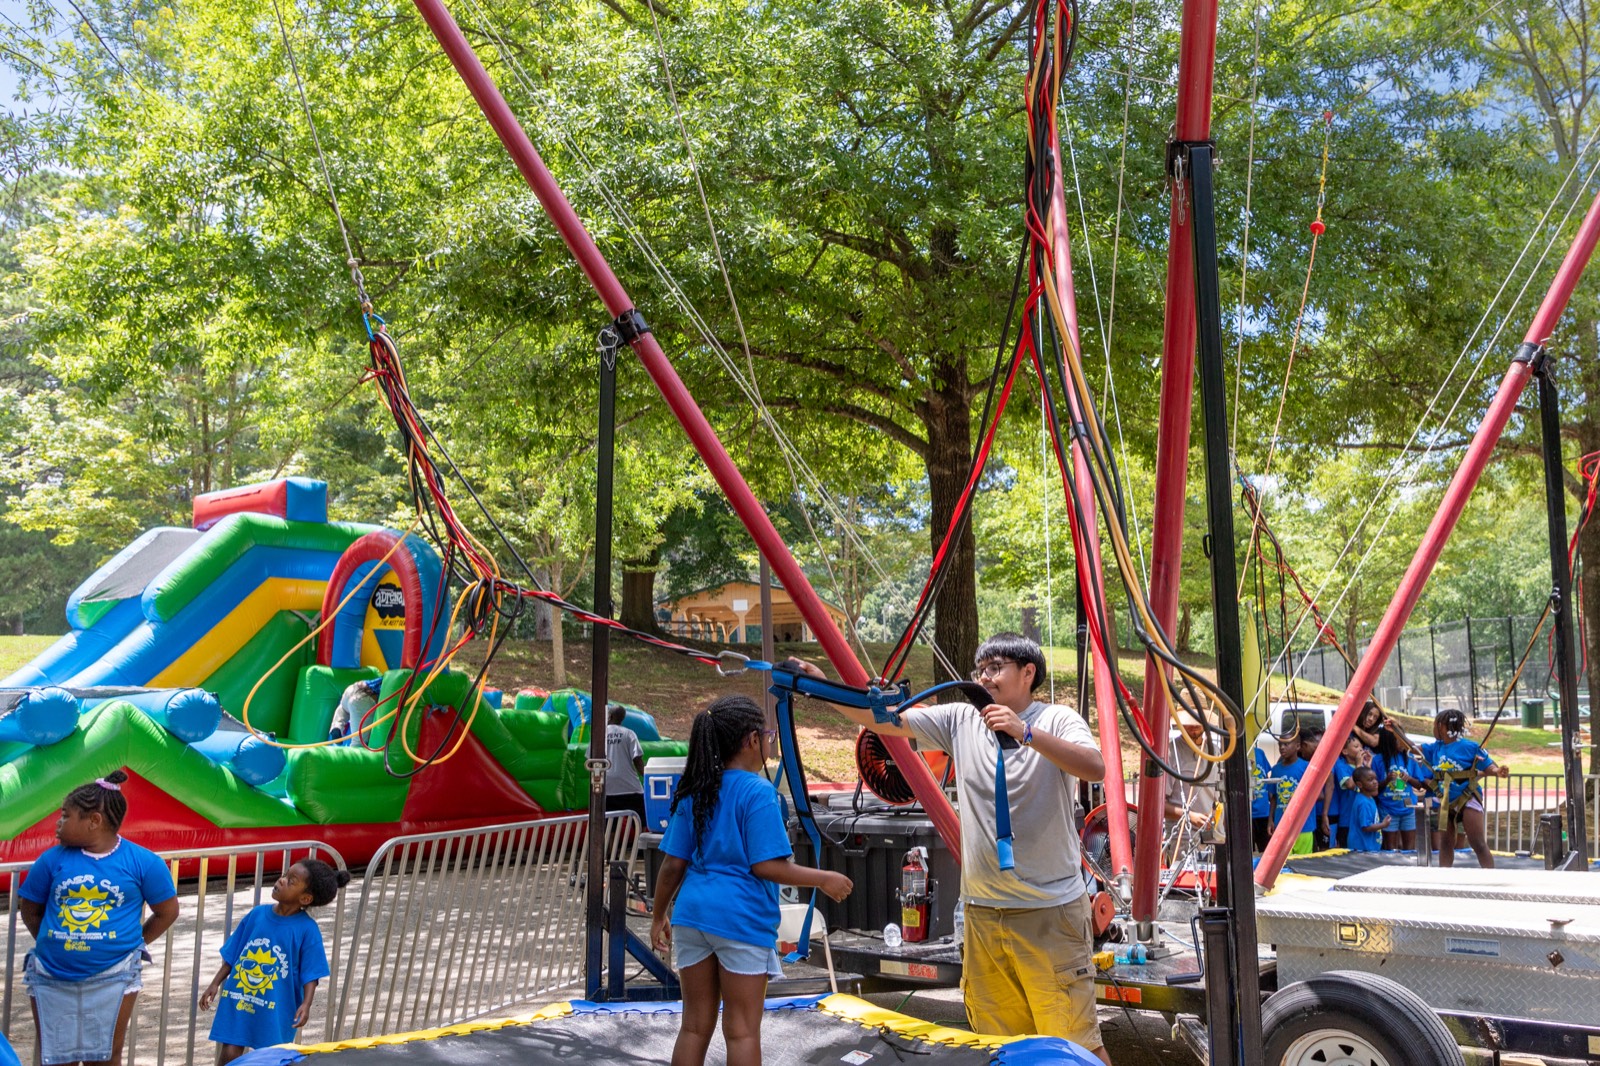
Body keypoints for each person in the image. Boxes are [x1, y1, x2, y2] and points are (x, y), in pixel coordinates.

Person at [790, 633, 1111, 1064]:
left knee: (1076, 1047)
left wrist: (1026, 732)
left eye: (996, 668)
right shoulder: (962, 718)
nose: (985, 678)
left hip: (1049, 914)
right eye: (982, 670)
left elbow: (1094, 766)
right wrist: (819, 685)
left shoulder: (1057, 719)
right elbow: (884, 721)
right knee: (999, 1048)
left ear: (1028, 672)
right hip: (984, 915)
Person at [650, 695, 853, 1066]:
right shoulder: (758, 792)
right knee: (742, 1030)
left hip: (692, 917)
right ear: (751, 740)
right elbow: (767, 867)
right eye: (769, 734)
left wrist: (657, 915)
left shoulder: (696, 790)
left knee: (693, 1027)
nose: (772, 742)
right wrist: (824, 879)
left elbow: (671, 866)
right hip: (739, 919)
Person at [17, 771, 181, 1066]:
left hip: (115, 977)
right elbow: (29, 907)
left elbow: (167, 911)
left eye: (66, 816)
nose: (58, 822)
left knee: (105, 1057)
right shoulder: (51, 860)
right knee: (55, 1057)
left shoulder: (144, 863)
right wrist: (53, 939)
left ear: (94, 821)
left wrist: (133, 943)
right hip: (51, 977)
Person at [201, 858, 349, 1062]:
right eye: (285, 875)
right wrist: (215, 983)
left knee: (271, 1056)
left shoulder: (307, 930)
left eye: (291, 881)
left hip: (276, 1005)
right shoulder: (257, 914)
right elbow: (234, 953)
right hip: (240, 997)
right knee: (230, 1051)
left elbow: (311, 973)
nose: (281, 881)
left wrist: (306, 1004)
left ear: (305, 898)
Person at [1422, 708, 1509, 868]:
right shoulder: (1435, 748)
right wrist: (1395, 729)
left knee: (1477, 842)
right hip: (1445, 800)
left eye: (1435, 725)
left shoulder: (1469, 747)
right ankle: (1444, 877)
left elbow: (1487, 765)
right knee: (1446, 843)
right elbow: (1409, 747)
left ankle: (1491, 877)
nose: (1433, 728)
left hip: (1467, 798)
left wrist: (1497, 771)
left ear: (1442, 726)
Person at [1164, 709, 1221, 848]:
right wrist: (1189, 817)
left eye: (1198, 720)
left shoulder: (1215, 751)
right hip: (1181, 839)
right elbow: (1159, 805)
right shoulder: (1171, 753)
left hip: (1210, 837)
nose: (1194, 725)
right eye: (1189, 722)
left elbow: (1219, 798)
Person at [1270, 733, 1316, 855]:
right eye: (1280, 744)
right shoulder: (1275, 770)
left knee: (1303, 865)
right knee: (1283, 864)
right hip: (1282, 825)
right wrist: (1271, 820)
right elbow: (1274, 797)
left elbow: (1318, 795)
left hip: (1303, 826)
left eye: (1286, 744)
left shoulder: (1306, 767)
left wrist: (1299, 795)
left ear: (1297, 746)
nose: (1282, 747)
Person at [1330, 734, 1379, 850]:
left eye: (1361, 746)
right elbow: (1351, 785)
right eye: (1356, 747)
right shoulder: (1342, 766)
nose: (1361, 749)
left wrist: (1367, 767)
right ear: (1345, 751)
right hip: (1347, 820)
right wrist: (1358, 765)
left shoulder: (1362, 767)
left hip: (1365, 818)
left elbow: (1374, 791)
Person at [603, 703, 647, 821]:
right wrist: (646, 775)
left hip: (607, 787)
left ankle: (610, 840)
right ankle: (640, 839)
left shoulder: (599, 734)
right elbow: (637, 759)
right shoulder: (629, 733)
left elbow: (590, 757)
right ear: (622, 718)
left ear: (610, 716)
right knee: (640, 821)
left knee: (610, 826)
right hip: (629, 786)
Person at [1298, 727, 1335, 851]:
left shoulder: (1324, 753)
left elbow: (1330, 785)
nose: (1301, 753)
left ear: (1305, 745)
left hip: (1322, 810)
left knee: (1324, 849)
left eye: (1301, 749)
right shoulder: (1301, 756)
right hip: (1309, 815)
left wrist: (1325, 814)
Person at [1346, 767, 1389, 852]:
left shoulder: (1369, 798)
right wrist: (1383, 825)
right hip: (1362, 848)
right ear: (1359, 784)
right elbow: (1366, 827)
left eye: (1375, 779)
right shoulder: (1363, 803)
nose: (1375, 782)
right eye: (1370, 780)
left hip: (1369, 848)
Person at [1250, 744, 1275, 852]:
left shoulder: (1259, 753)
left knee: (1267, 850)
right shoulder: (1238, 754)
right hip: (1246, 814)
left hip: (1263, 812)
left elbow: (1266, 777)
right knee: (1247, 852)